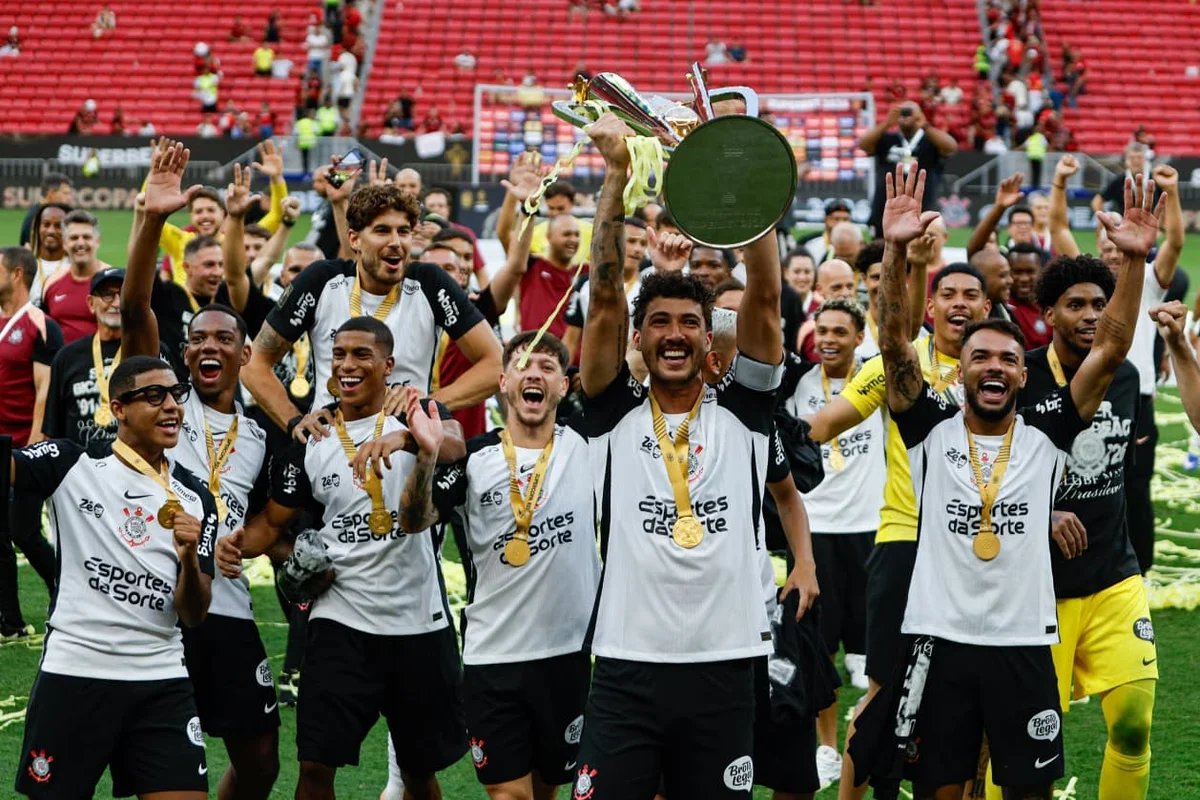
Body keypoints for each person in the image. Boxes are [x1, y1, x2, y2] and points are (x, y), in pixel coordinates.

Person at [859, 165, 1160, 800]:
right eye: (980, 357)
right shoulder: (928, 425)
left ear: (1024, 375)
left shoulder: (1048, 427)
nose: (993, 366)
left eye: (1007, 358)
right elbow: (893, 343)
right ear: (960, 370)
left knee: (1025, 790)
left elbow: (1110, 351)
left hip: (1024, 643)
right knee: (942, 789)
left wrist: (1134, 262)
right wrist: (894, 251)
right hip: (941, 638)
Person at [571, 112, 805, 798]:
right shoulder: (612, 410)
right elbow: (605, 295)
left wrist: (747, 186)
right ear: (639, 339)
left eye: (689, 324)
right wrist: (616, 175)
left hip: (726, 662)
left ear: (711, 340)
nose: (673, 335)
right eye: (659, 323)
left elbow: (765, 295)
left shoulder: (746, 409)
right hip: (626, 664)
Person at [217, 317, 466, 800]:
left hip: (418, 622)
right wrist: (230, 544)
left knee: (418, 771)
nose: (347, 365)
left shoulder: (417, 413)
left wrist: (407, 438)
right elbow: (272, 523)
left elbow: (454, 444)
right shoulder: (313, 435)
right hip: (341, 621)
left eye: (361, 354)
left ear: (388, 365)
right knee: (315, 766)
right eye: (339, 354)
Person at [125, 144, 282, 797]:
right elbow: (135, 313)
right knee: (160, 760)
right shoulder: (162, 404)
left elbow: (273, 517)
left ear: (245, 355)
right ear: (184, 352)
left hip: (229, 606)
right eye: (197, 338)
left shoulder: (261, 435)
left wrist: (253, 543)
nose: (208, 346)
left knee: (262, 761)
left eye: (223, 338)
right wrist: (151, 221)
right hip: (152, 601)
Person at [804, 264, 984, 800]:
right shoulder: (896, 364)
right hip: (905, 542)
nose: (959, 303)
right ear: (930, 307)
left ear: (985, 307)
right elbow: (826, 422)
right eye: (947, 294)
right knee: (882, 694)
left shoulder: (1002, 365)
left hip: (979, 552)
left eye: (971, 295)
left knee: (973, 699)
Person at [12, 355, 218, 799]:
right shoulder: (73, 464)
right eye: (153, 396)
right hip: (77, 671)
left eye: (175, 394)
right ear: (119, 409)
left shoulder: (196, 498)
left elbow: (194, 614)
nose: (171, 406)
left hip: (161, 676)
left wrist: (187, 558)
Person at [427, 330, 601, 800]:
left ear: (564, 385)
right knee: (510, 795)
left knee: (546, 790)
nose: (533, 374)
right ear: (502, 382)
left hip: (567, 654)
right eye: (522, 365)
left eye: (547, 366)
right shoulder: (473, 458)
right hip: (493, 657)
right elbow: (416, 519)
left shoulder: (589, 445)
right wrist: (423, 455)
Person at [1008, 254, 1155, 800]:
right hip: (1037, 591)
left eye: (1099, 303)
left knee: (1134, 724)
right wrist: (1041, 511)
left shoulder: (1126, 376)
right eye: (1075, 305)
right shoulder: (1019, 378)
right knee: (1027, 746)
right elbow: (983, 474)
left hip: (1114, 577)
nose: (1091, 314)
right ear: (1048, 313)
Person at [244, 181, 502, 434]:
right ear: (354, 239)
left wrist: (427, 404)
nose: (396, 242)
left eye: (404, 231)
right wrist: (293, 422)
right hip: (330, 443)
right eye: (382, 231)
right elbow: (253, 363)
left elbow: (496, 364)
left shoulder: (430, 282)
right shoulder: (321, 279)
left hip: (405, 444)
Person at [1052, 157, 1183, 574]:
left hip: (1135, 395)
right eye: (1107, 247)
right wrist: (1059, 183)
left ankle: (1138, 569)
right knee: (1084, 484)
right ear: (1100, 242)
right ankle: (1084, 560)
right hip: (1088, 390)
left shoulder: (1148, 281)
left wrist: (1172, 193)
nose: (1112, 254)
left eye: (1117, 249)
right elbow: (1058, 230)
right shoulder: (1088, 287)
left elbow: (1175, 244)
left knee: (1135, 487)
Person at [780, 298, 887, 788]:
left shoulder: (876, 380)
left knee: (870, 658)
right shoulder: (797, 384)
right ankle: (825, 747)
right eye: (822, 330)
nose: (828, 340)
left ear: (860, 337)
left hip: (868, 529)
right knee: (817, 650)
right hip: (816, 530)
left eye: (840, 332)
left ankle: (863, 741)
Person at [0, 248, 62, 640]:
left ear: (17, 274)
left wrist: (34, 445)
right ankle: (10, 622)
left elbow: (45, 388)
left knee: (23, 530)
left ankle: (66, 590)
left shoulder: (40, 324)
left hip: (24, 446)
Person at [43, 268, 135, 456]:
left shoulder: (148, 350)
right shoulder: (67, 357)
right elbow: (52, 431)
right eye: (108, 295)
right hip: (81, 468)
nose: (117, 303)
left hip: (134, 464)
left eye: (123, 294)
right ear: (91, 304)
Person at [859, 101, 957, 236]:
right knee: (881, 244)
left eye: (910, 112)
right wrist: (886, 123)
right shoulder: (887, 139)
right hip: (886, 205)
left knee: (919, 244)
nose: (906, 116)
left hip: (921, 204)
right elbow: (863, 144)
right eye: (902, 113)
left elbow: (951, 147)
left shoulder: (930, 140)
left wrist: (925, 125)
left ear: (919, 115)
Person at [562, 216, 647, 360]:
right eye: (631, 241)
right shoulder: (586, 284)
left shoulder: (648, 288)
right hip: (594, 368)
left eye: (643, 244)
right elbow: (571, 339)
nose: (638, 249)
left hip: (633, 368)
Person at [497, 155, 594, 268]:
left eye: (560, 208)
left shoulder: (591, 232)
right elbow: (505, 237)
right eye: (551, 208)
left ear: (572, 205)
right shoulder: (535, 232)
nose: (555, 213)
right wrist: (514, 188)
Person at [41, 210, 109, 343]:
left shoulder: (113, 282)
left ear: (97, 241)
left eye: (87, 237)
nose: (80, 243)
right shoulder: (51, 282)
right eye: (74, 238)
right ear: (64, 243)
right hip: (61, 356)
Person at [1006, 242, 1052, 348]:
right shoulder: (1002, 308)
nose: (1024, 279)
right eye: (1017, 272)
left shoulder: (1052, 306)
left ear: (1041, 272)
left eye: (1030, 272)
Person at [26, 203, 72, 306]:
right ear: (38, 228)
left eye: (58, 226)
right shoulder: (24, 265)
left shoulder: (75, 269)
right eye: (46, 224)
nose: (51, 231)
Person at [19, 172, 74, 248]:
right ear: (51, 193)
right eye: (65, 193)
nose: (70, 198)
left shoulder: (47, 213)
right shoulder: (36, 218)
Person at [799, 200, 853, 265]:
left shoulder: (857, 246)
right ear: (826, 219)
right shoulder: (810, 243)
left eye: (845, 219)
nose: (841, 223)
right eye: (836, 219)